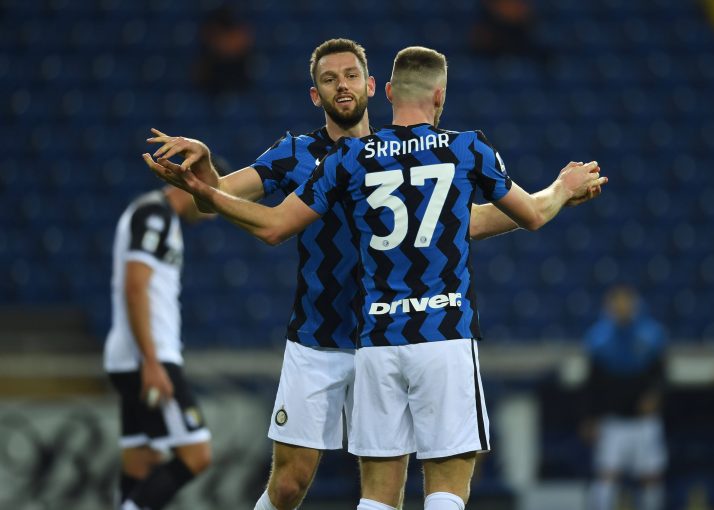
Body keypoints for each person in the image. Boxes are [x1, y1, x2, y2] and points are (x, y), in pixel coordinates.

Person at [145, 39, 603, 510]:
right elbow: (216, 199)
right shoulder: (297, 154)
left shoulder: (379, 155)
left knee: (386, 488)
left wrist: (552, 200)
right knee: (289, 485)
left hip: (378, 334)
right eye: (329, 79)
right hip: (322, 335)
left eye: (349, 76)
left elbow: (460, 222)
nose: (341, 86)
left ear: (372, 86)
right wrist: (206, 174)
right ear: (315, 95)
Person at [104, 184, 215, 510]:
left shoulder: (157, 213)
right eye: (214, 199)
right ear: (198, 182)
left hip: (133, 357)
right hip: (148, 358)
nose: (213, 215)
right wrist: (151, 362)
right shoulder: (155, 213)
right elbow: (135, 286)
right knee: (197, 454)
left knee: (141, 461)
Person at [581, 285, 668, 510]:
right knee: (606, 476)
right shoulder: (598, 340)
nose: (622, 308)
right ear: (609, 307)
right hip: (613, 420)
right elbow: (592, 384)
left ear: (635, 305)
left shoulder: (651, 336)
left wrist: (655, 396)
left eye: (626, 303)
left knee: (651, 477)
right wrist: (590, 417)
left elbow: (662, 375)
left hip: (644, 421)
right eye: (617, 303)